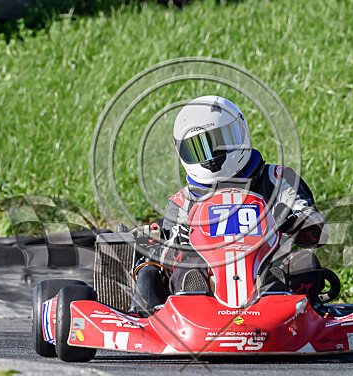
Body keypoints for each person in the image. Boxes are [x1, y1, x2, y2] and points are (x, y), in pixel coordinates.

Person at [130, 95, 337, 315]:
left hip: (268, 264)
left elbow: (316, 229)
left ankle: (284, 302)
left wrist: (294, 223)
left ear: (240, 132)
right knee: (164, 267)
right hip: (209, 281)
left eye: (218, 143)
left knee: (304, 263)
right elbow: (167, 250)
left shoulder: (277, 179)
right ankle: (183, 303)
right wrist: (164, 239)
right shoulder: (182, 201)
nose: (211, 158)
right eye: (199, 148)